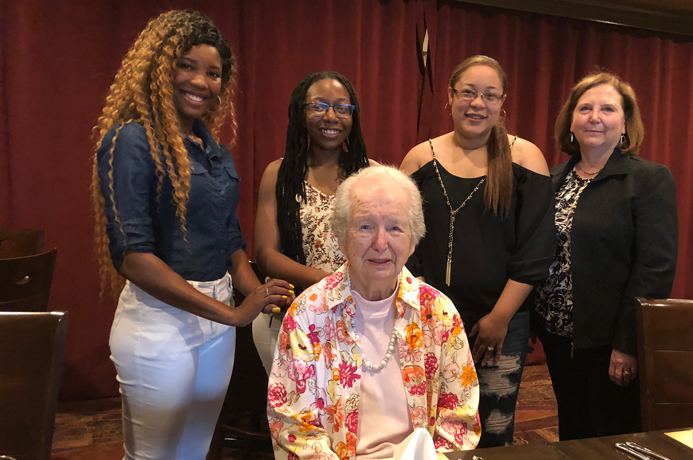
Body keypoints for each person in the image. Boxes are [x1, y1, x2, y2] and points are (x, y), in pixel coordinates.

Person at [90, 10, 293, 459]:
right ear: (160, 68)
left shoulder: (215, 152)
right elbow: (133, 256)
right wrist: (238, 316)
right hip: (159, 324)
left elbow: (230, 244)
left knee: (193, 451)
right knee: (153, 456)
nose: (201, 81)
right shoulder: (131, 141)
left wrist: (256, 296)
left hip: (216, 318)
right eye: (187, 65)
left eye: (214, 73)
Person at [267, 166, 481, 460]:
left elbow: (459, 421)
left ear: (413, 240)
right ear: (342, 237)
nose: (380, 244)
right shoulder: (307, 315)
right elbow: (294, 430)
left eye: (395, 227)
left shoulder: (438, 313)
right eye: (365, 226)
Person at [400, 55, 555, 447]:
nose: (477, 103)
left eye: (489, 95)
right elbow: (404, 242)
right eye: (467, 92)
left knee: (492, 426)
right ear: (450, 98)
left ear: (503, 103)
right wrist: (428, 312)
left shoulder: (525, 158)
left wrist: (500, 317)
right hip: (431, 321)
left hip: (501, 323)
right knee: (430, 422)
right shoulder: (420, 159)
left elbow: (536, 249)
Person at [533, 71, 678, 440]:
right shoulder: (553, 179)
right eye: (584, 108)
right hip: (557, 334)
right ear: (570, 121)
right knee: (572, 428)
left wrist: (627, 345)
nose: (594, 116)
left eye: (608, 109)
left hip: (608, 341)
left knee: (612, 437)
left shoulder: (648, 179)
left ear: (625, 124)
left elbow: (655, 268)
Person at [253, 71, 373, 374]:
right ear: (300, 113)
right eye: (318, 106)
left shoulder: (370, 175)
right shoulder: (278, 174)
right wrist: (329, 283)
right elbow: (266, 255)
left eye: (342, 108)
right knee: (298, 414)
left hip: (357, 314)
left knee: (351, 412)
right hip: (292, 314)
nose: (330, 116)